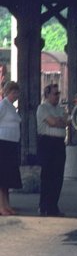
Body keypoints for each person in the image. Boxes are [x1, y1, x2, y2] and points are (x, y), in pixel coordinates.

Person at [36, 83, 68, 217]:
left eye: (58, 93)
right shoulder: (42, 108)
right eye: (55, 94)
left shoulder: (60, 109)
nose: (57, 96)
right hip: (47, 142)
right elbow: (53, 122)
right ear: (47, 95)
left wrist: (59, 121)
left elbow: (67, 121)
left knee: (58, 176)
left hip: (60, 143)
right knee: (47, 175)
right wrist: (59, 121)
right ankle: (44, 206)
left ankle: (53, 206)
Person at [0, 81, 22, 216]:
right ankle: (1, 206)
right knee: (2, 177)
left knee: (7, 178)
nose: (16, 95)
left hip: (11, 144)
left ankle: (7, 205)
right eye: (14, 92)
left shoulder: (12, 107)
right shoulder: (3, 105)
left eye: (17, 93)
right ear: (7, 92)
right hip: (3, 144)